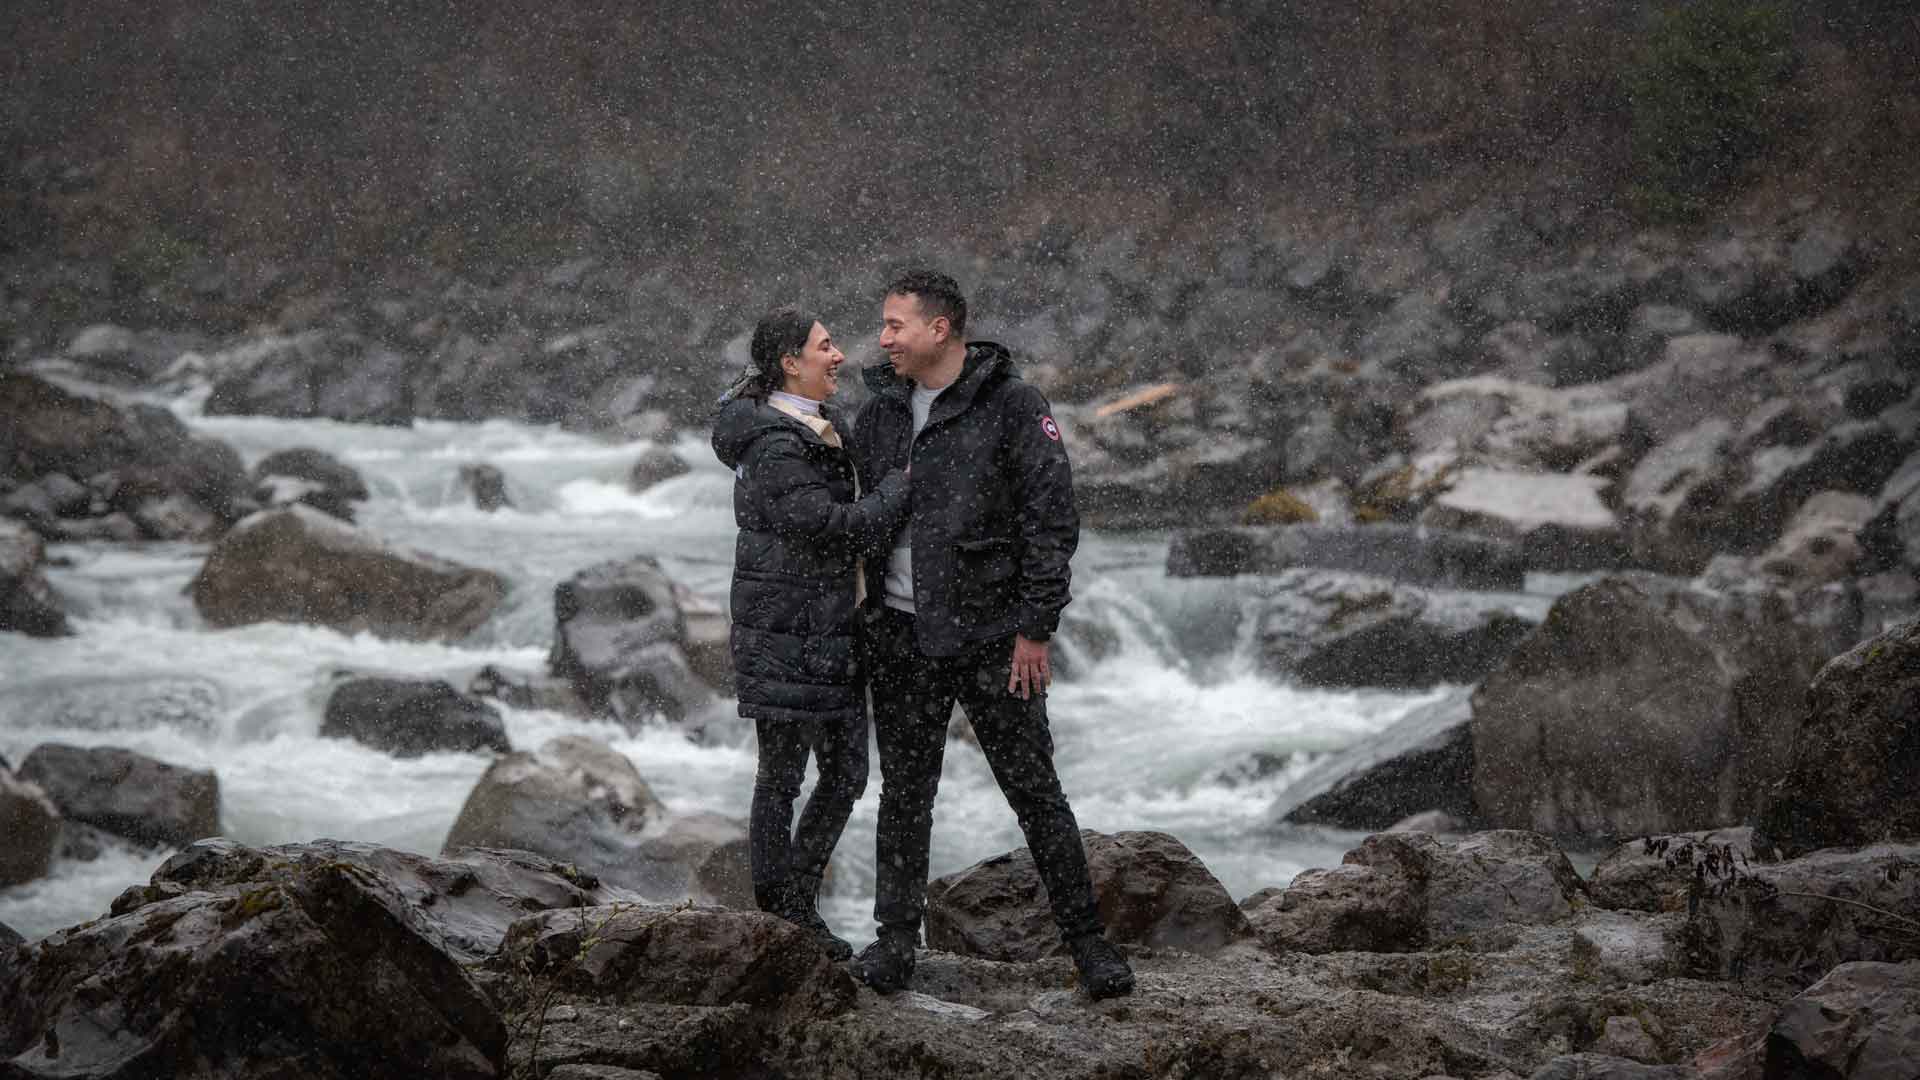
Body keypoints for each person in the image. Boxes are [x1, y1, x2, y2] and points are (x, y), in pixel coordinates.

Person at [847, 269, 1135, 999]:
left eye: (895, 326)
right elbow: (847, 508)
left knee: (1034, 792)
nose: (883, 340)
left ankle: (1090, 947)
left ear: (939, 329)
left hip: (992, 639)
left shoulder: (1011, 404)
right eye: (883, 326)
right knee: (905, 797)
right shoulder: (880, 408)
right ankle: (893, 945)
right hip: (903, 637)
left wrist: (1035, 629)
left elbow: (1052, 519)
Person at [710, 306, 911, 960]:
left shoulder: (817, 425)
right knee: (783, 776)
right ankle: (783, 913)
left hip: (830, 632)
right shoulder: (772, 443)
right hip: (786, 634)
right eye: (826, 347)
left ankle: (794, 900)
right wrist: (899, 493)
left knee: (847, 771)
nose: (839, 357)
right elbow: (826, 526)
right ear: (789, 362)